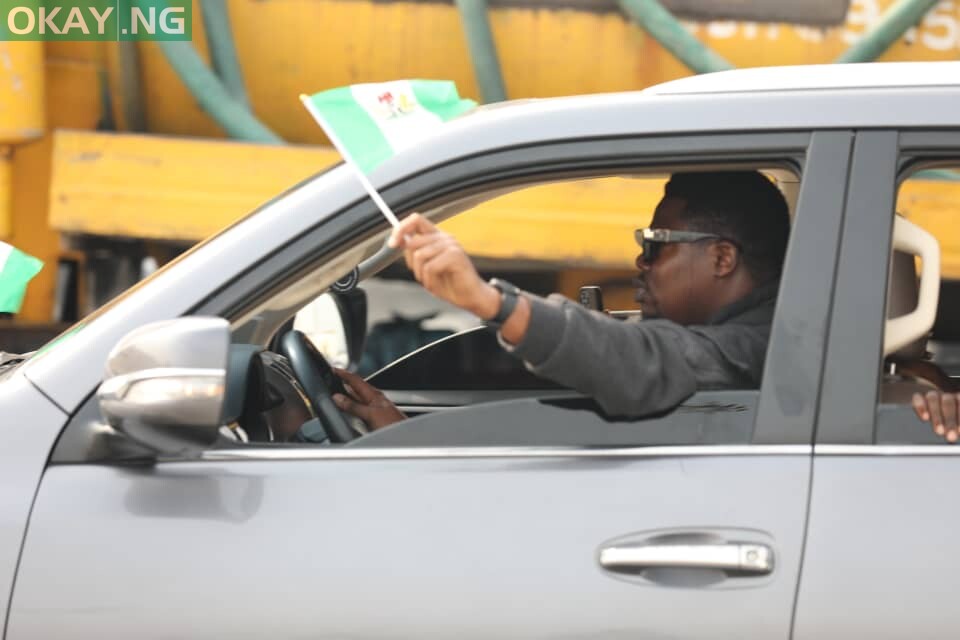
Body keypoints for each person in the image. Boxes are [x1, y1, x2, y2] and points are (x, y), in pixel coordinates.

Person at [332, 170, 791, 430]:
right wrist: (404, 435)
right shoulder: (762, 330)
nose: (641, 260)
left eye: (655, 243)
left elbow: (644, 359)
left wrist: (491, 302)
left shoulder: (754, 349)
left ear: (722, 257)